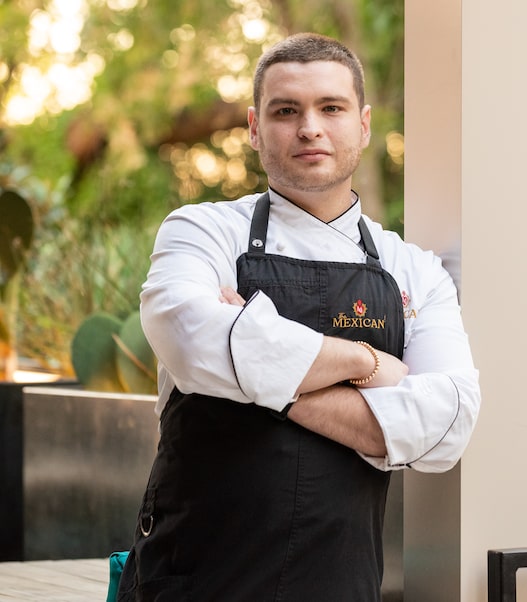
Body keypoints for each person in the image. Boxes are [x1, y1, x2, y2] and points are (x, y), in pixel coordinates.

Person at [116, 32, 480, 601]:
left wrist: (258, 369)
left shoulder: (414, 270)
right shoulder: (204, 231)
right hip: (196, 581)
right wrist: (368, 362)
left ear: (362, 125)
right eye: (286, 111)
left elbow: (447, 428)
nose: (309, 126)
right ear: (256, 129)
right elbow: (191, 341)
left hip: (341, 584)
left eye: (330, 108)